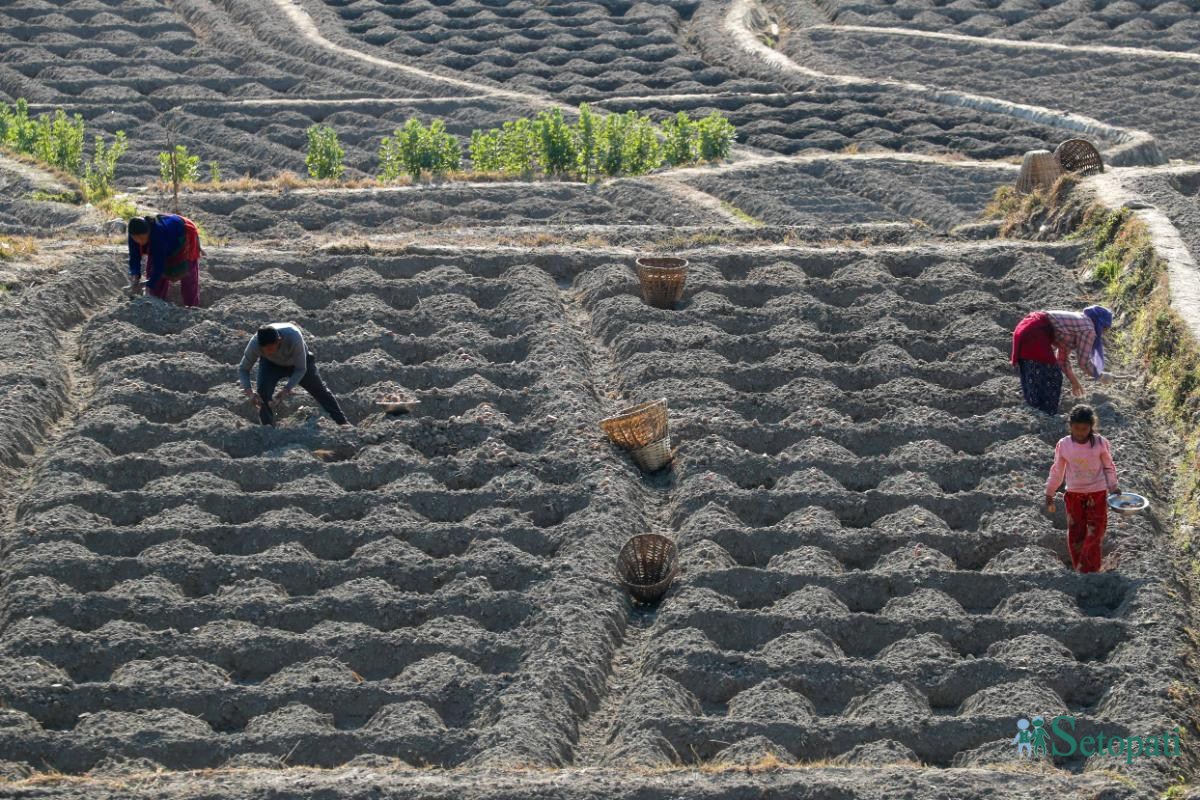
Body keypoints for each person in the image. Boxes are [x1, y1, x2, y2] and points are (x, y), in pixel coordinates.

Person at [1045, 404, 1120, 573]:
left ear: (1091, 426)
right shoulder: (1064, 445)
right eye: (1076, 428)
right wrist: (1050, 491)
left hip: (1098, 492)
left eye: (1084, 429)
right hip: (1074, 495)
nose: (1080, 432)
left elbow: (1109, 466)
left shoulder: (1100, 443)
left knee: (1096, 531)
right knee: (1076, 533)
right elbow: (1057, 470)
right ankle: (1081, 568)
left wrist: (1114, 487)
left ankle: (1089, 569)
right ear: (1070, 426)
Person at [238, 323, 351, 427]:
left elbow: (301, 369)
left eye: (271, 349)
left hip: (297, 362)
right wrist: (249, 393)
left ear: (279, 340)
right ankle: (267, 428)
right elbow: (243, 368)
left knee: (319, 390)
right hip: (271, 364)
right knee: (262, 393)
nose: (269, 352)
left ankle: (342, 422)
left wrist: (286, 390)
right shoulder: (255, 344)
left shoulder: (293, 337)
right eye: (265, 350)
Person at [1011, 305, 1114, 414]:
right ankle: (1046, 414)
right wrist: (1100, 375)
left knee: (1033, 371)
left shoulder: (1079, 322)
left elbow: (1062, 359)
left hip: (1025, 328)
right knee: (1051, 375)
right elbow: (1084, 363)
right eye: (1104, 329)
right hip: (1035, 332)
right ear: (1100, 323)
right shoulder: (1089, 329)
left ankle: (1034, 411)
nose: (1103, 333)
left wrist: (1074, 382)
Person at [128, 213, 203, 307]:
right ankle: (154, 303)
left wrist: (148, 284)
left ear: (149, 232)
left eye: (142, 238)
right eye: (136, 238)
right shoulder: (133, 234)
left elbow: (159, 265)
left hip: (183, 234)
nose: (139, 241)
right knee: (152, 273)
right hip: (163, 241)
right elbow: (134, 256)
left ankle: (192, 307)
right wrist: (135, 276)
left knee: (188, 274)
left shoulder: (158, 234)